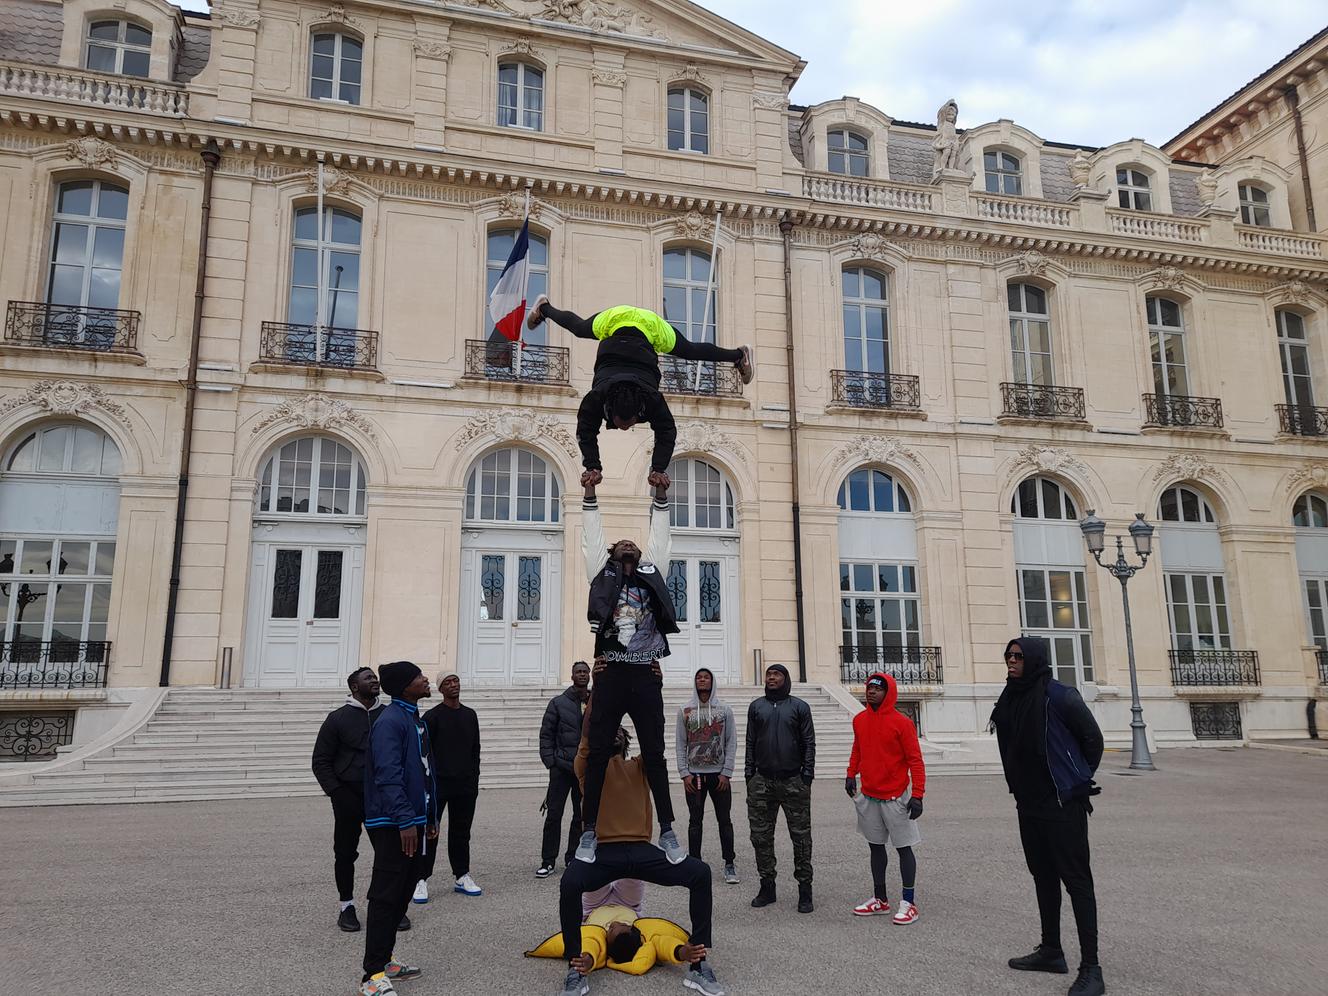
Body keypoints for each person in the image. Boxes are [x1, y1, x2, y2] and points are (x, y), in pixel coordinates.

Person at [540, 696, 724, 996]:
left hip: (641, 850)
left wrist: (652, 687)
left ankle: (699, 964)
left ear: (626, 740)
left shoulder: (641, 766)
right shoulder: (587, 766)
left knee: (700, 873)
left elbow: (654, 740)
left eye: (619, 730)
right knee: (570, 881)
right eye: (609, 730)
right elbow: (589, 730)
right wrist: (599, 694)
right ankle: (575, 969)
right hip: (602, 851)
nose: (614, 732)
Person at [524, 295, 753, 486]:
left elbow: (666, 431)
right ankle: (543, 308)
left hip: (632, 323)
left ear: (639, 411)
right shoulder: (600, 397)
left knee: (690, 350)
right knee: (580, 328)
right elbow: (586, 430)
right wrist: (593, 466)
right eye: (626, 424)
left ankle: (739, 355)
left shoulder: (649, 398)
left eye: (628, 423)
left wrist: (658, 469)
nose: (625, 428)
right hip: (630, 322)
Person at [574, 476, 683, 866]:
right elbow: (591, 535)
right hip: (611, 672)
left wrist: (661, 495)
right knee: (599, 751)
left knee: (655, 752)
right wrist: (589, 493)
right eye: (621, 543)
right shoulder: (600, 574)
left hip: (645, 675)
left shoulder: (653, 572)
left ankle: (668, 830)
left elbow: (662, 537)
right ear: (612, 553)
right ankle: (588, 831)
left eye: (633, 544)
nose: (629, 544)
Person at [991, 637, 1106, 996]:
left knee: (1077, 881)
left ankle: (1092, 969)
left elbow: (1093, 741)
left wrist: (1074, 779)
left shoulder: (1060, 696)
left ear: (1035, 659)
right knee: (1042, 875)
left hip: (1062, 802)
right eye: (1008, 655)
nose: (1011, 660)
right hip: (1029, 802)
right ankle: (1052, 951)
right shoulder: (1011, 695)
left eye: (1018, 656)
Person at [357, 661, 438, 996]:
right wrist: (406, 819)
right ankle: (372, 976)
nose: (426, 679)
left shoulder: (413, 718)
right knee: (386, 894)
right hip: (393, 822)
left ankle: (386, 958)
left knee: (405, 888)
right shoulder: (390, 721)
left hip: (414, 820)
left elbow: (425, 771)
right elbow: (387, 774)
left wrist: (429, 817)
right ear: (405, 686)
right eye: (419, 677)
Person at [844, 671, 925, 925]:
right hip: (870, 795)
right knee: (875, 847)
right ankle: (880, 899)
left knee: (903, 848)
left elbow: (915, 760)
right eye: (869, 688)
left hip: (896, 797)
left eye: (877, 689)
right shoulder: (859, 720)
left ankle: (908, 902)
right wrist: (850, 773)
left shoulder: (902, 723)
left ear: (888, 692)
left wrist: (918, 795)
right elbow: (858, 748)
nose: (872, 692)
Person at [311, 666, 385, 933]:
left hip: (381, 796)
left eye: (375, 677)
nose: (374, 680)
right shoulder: (337, 719)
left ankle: (385, 904)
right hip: (348, 796)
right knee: (345, 854)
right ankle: (347, 905)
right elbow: (320, 761)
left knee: (387, 853)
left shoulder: (387, 715)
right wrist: (337, 793)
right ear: (355, 687)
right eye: (368, 678)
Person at [745, 663, 816, 913]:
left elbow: (809, 742)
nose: (772, 678)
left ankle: (805, 890)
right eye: (769, 674)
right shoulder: (757, 707)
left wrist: (807, 775)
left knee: (801, 838)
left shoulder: (799, 707)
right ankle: (767, 886)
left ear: (785, 679)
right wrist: (749, 776)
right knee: (761, 837)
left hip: (794, 781)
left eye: (777, 674)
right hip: (762, 782)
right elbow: (750, 742)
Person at [416, 673, 482, 902]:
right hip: (438, 785)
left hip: (465, 785)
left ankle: (462, 875)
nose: (453, 685)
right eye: (447, 683)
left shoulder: (470, 715)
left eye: (455, 681)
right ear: (440, 689)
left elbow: (476, 750)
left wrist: (474, 779)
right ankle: (421, 878)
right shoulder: (432, 717)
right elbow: (425, 754)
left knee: (461, 832)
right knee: (430, 831)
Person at [675, 667, 739, 884]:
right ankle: (694, 864)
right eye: (699, 678)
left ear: (712, 682)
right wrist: (684, 774)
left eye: (706, 677)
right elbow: (680, 743)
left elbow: (731, 742)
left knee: (725, 820)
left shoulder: (725, 710)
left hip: (718, 775)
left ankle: (729, 863)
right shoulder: (685, 710)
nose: (702, 680)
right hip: (695, 776)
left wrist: (727, 773)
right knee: (695, 821)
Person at [538, 661, 592, 877]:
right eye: (578, 672)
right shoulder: (558, 703)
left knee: (581, 816)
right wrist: (551, 761)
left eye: (585, 672)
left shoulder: (595, 702)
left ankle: (572, 857)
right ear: (572, 676)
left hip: (584, 770)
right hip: (561, 768)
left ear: (589, 675)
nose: (582, 675)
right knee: (554, 815)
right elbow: (546, 735)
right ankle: (547, 860)